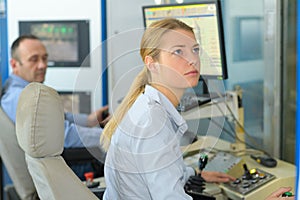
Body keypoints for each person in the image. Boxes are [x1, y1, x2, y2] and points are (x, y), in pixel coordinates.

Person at [100, 18, 235, 199]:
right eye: (178, 52)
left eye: (195, 50)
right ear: (152, 63)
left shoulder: (147, 106)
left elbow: (157, 171)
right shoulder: (153, 123)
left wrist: (193, 173)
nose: (193, 60)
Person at [0, 34, 108, 180]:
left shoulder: (25, 92)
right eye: (34, 59)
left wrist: (90, 120)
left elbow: (61, 118)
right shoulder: (19, 98)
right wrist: (109, 136)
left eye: (44, 58)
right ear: (14, 64)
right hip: (61, 170)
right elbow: (62, 134)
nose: (42, 65)